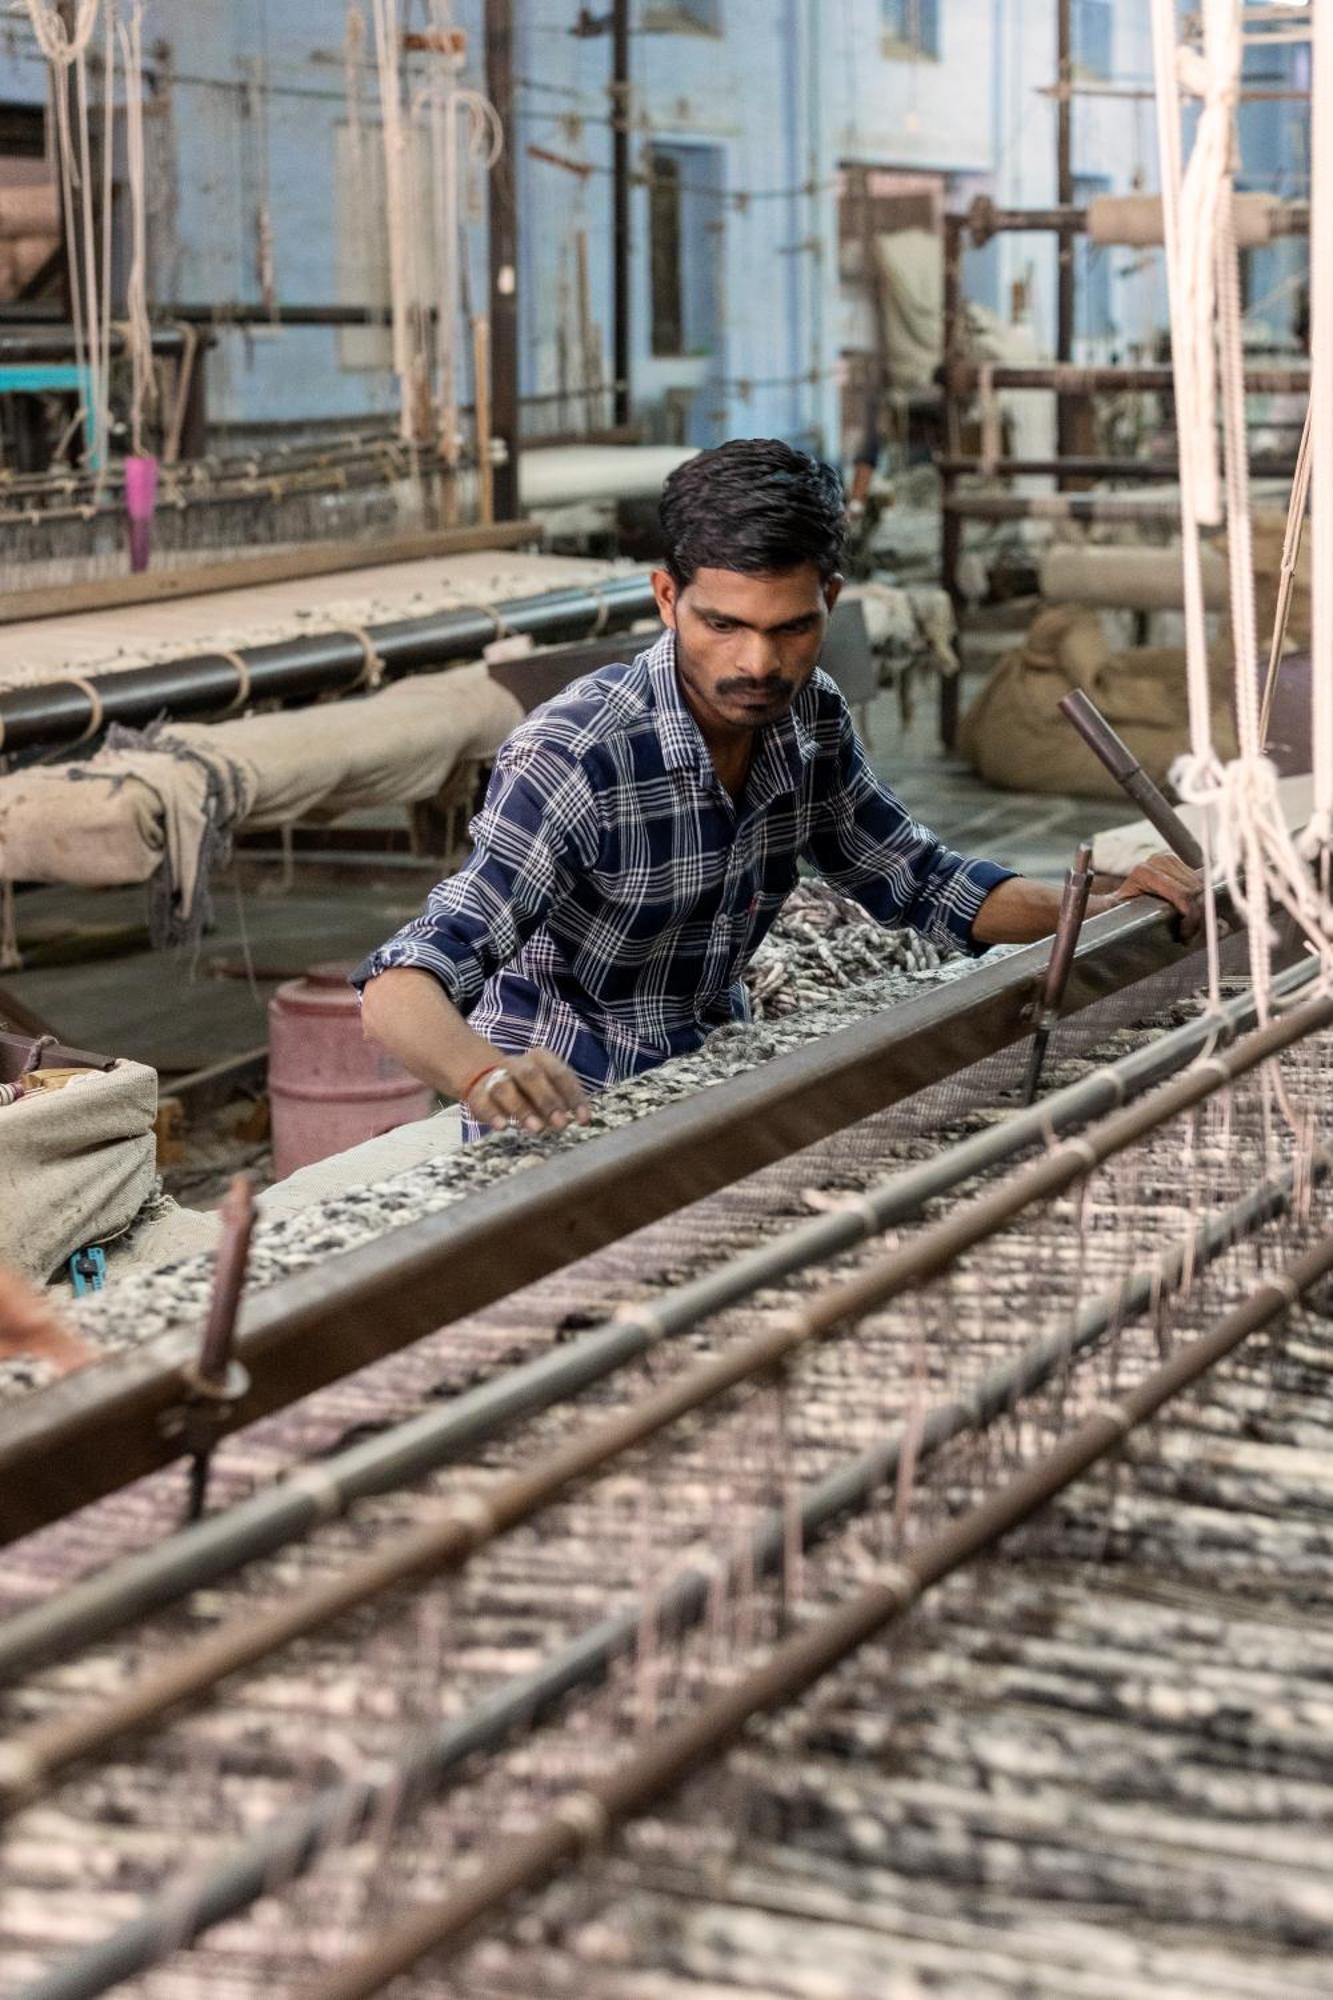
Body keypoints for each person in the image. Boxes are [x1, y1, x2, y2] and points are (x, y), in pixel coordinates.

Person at [355, 439, 1198, 1139]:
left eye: (791, 628)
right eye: (722, 625)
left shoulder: (809, 720)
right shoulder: (576, 757)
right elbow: (401, 984)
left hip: (718, 1073)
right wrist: (485, 1076)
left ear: (828, 601)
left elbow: (919, 882)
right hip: (569, 1115)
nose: (757, 665)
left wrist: (1097, 904)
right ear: (666, 599)